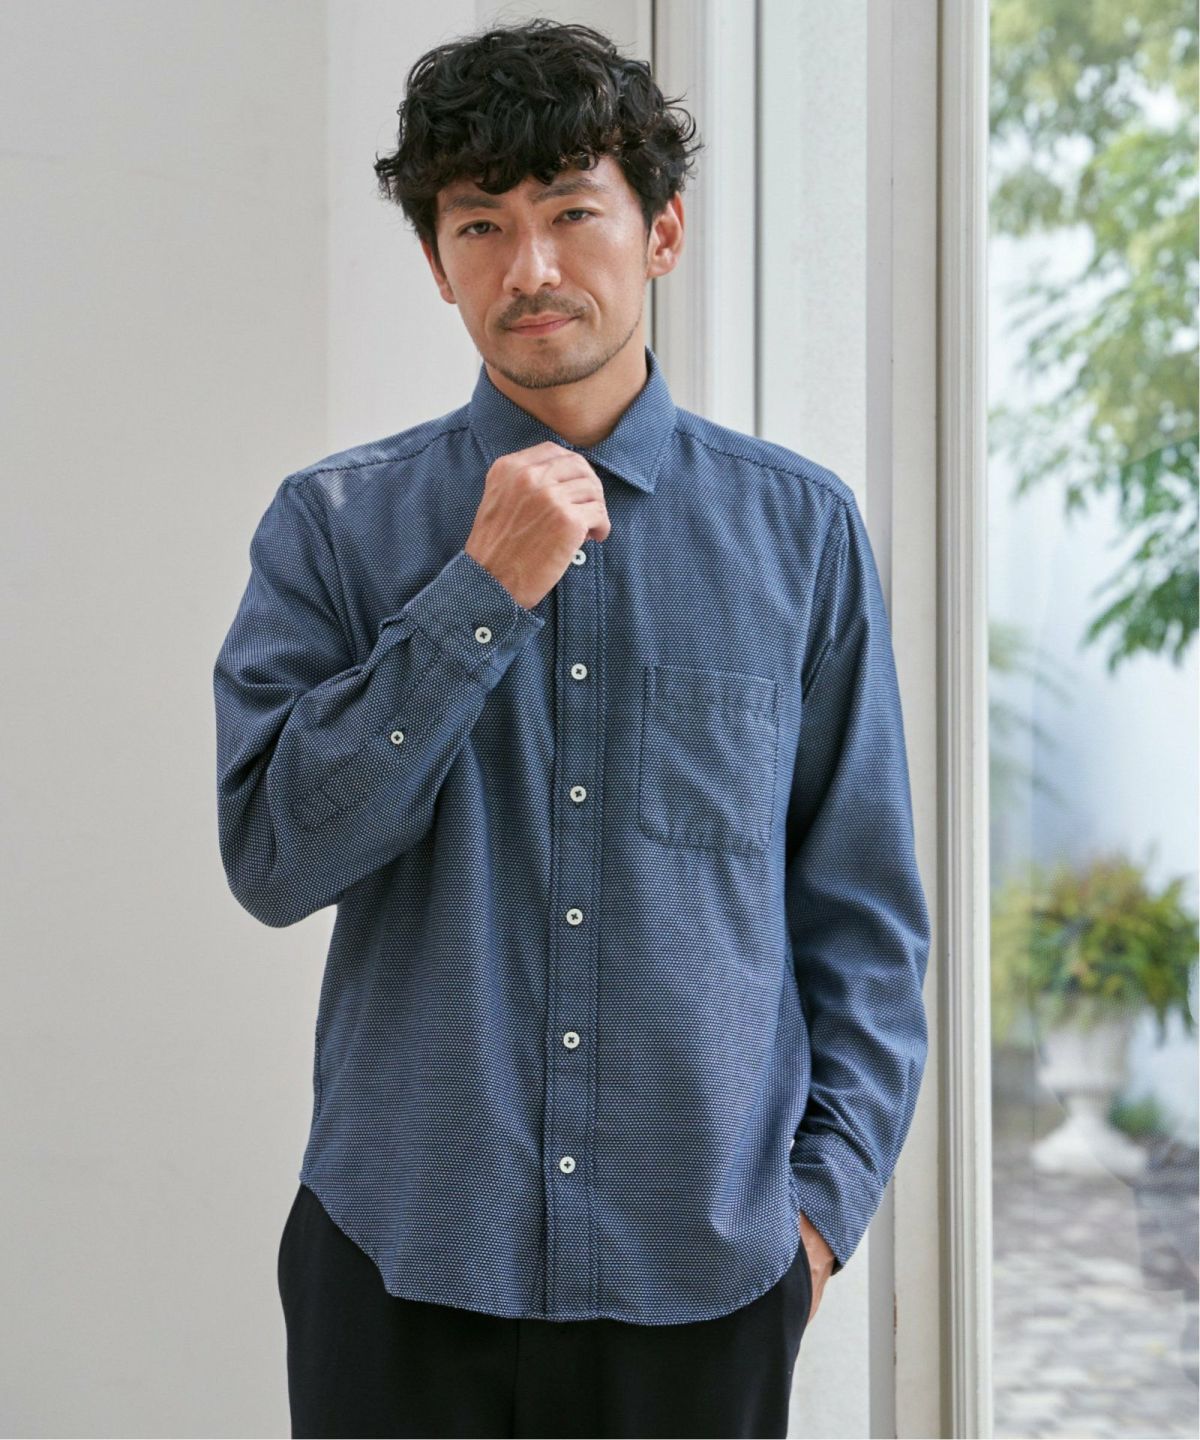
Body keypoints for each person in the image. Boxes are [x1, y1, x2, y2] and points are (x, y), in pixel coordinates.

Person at [212, 17, 931, 1439]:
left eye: (571, 213)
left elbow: (864, 916)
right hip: (401, 1260)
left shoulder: (801, 536)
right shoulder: (334, 530)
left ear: (661, 232)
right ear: (439, 263)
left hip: (704, 1280)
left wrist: (817, 1219)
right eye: (480, 224)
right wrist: (477, 597)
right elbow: (276, 862)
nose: (529, 267)